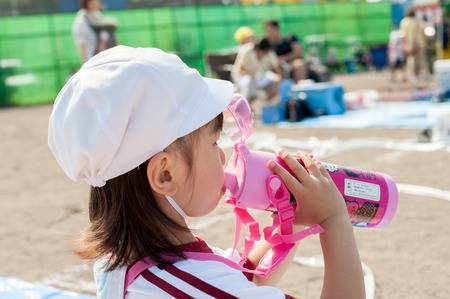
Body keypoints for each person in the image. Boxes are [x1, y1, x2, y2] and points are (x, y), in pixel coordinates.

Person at [48, 46, 364, 298]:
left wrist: (288, 227)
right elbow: (224, 286)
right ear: (164, 174)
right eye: (214, 143)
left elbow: (240, 280)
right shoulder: (188, 283)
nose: (223, 155)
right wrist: (334, 220)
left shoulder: (124, 257)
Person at [232, 38, 282, 103]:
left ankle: (267, 105)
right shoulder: (246, 50)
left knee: (274, 79)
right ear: (258, 49)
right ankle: (246, 106)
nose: (265, 55)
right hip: (240, 77)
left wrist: (277, 86)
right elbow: (240, 69)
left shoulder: (268, 53)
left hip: (256, 77)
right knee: (248, 82)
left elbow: (277, 70)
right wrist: (252, 77)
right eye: (263, 52)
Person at [400, 9, 428, 83]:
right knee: (421, 60)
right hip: (420, 44)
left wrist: (407, 45)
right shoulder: (417, 21)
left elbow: (404, 35)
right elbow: (423, 32)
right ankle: (422, 75)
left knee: (411, 60)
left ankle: (413, 76)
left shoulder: (404, 22)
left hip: (410, 44)